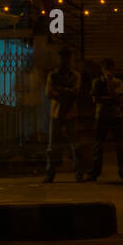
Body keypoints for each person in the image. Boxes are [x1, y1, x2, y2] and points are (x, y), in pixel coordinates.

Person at [88, 58, 123, 182]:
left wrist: (108, 90)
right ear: (102, 69)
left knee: (120, 145)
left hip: (115, 116)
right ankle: (95, 172)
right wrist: (110, 98)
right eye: (106, 68)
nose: (108, 71)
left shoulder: (118, 82)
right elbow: (96, 99)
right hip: (101, 116)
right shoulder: (97, 82)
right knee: (98, 145)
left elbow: (117, 100)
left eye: (110, 68)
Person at [43, 48, 83, 183]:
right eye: (62, 58)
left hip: (68, 113)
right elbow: (49, 93)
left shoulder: (75, 75)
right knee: (53, 145)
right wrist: (67, 91)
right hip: (57, 113)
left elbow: (75, 92)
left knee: (75, 145)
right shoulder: (52, 75)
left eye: (66, 58)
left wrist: (60, 90)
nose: (64, 61)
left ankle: (78, 174)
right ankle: (50, 174)